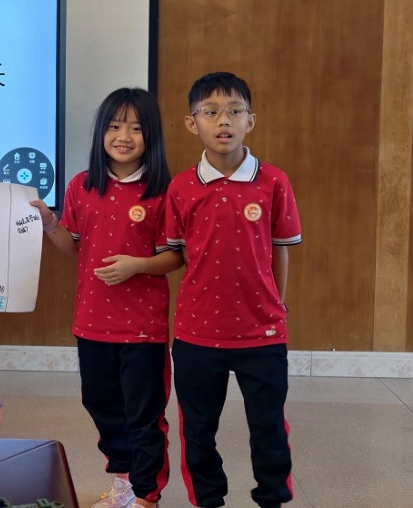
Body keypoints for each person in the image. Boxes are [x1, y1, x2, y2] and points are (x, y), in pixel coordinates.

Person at [31, 88, 181, 508]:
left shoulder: (163, 191)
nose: (124, 137)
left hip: (143, 328)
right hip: (92, 321)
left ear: (151, 136)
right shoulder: (82, 185)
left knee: (144, 414)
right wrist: (49, 222)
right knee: (101, 404)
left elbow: (175, 256)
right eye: (114, 127)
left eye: (135, 128)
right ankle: (124, 480)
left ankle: (147, 494)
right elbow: (73, 244)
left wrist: (137, 265)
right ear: (101, 132)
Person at [163, 72, 301, 508]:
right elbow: (179, 252)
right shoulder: (181, 187)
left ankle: (272, 498)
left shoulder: (274, 181)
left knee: (268, 426)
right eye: (211, 112)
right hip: (197, 334)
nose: (224, 120)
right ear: (192, 123)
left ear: (250, 121)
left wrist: (276, 306)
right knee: (198, 429)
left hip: (262, 333)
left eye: (235, 111)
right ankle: (208, 499)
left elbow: (281, 250)